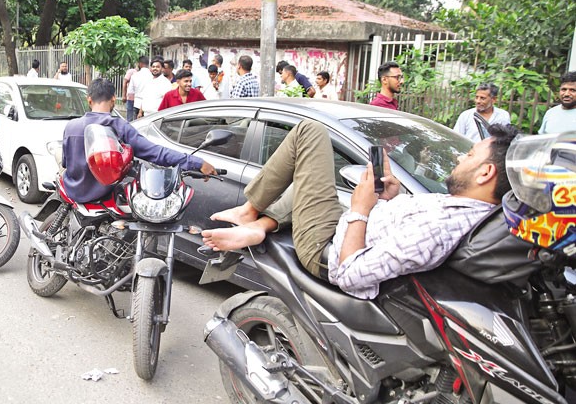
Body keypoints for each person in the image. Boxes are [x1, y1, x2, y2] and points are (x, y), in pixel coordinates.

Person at [201, 119, 519, 299]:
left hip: (327, 251)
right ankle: (260, 225)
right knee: (310, 178)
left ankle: (250, 212)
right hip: (352, 228)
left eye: (470, 155)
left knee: (309, 132)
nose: (461, 158)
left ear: (485, 173)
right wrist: (390, 198)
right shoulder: (466, 208)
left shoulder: (440, 228)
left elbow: (349, 274)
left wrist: (361, 209)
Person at [62, 78, 216, 203]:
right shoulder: (118, 126)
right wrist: (196, 162)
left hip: (73, 191)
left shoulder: (71, 126)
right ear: (113, 99)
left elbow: (65, 163)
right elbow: (155, 152)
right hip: (104, 196)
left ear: (89, 100)